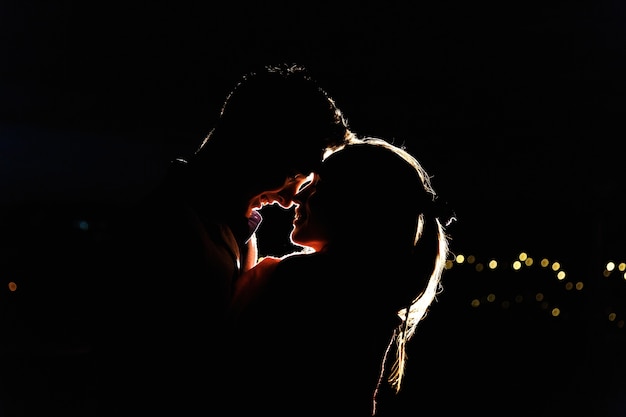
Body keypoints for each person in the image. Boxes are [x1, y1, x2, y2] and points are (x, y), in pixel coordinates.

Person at [94, 63, 355, 415]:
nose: (291, 198)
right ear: (264, 147)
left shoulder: (236, 231)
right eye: (294, 176)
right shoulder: (166, 235)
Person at [224, 137, 456, 416]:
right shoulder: (376, 300)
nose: (298, 196)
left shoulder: (293, 282)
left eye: (319, 185)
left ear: (355, 206)